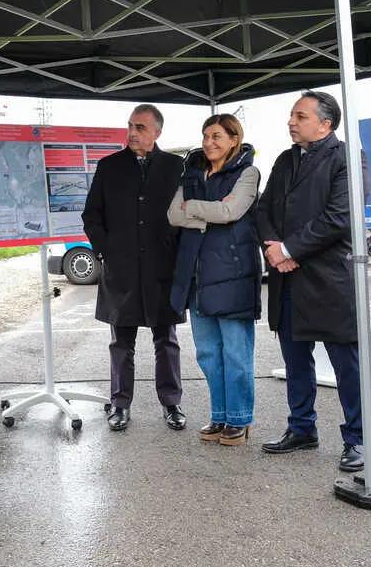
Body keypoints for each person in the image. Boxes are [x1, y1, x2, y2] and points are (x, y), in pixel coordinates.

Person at [256, 90, 370, 472]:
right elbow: (264, 208)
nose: (291, 121)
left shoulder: (347, 157)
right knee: (295, 360)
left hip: (329, 279)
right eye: (291, 115)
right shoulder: (285, 159)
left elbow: (340, 217)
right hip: (288, 279)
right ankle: (301, 427)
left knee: (346, 365)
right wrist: (273, 248)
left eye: (300, 116)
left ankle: (357, 439)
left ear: (325, 123)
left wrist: (288, 250)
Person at [82, 104, 186, 431]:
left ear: (157, 132)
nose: (132, 133)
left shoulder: (175, 167)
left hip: (161, 270)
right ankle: (120, 403)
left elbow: (186, 214)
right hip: (122, 270)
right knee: (121, 343)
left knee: (166, 340)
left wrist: (176, 251)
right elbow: (91, 216)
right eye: (130, 126)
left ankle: (172, 404)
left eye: (140, 127)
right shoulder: (109, 166)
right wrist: (106, 251)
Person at [168, 114, 261, 445]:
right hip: (196, 276)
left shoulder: (247, 173)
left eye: (217, 136)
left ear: (234, 140)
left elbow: (231, 212)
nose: (209, 142)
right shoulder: (192, 173)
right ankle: (220, 415)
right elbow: (173, 215)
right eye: (206, 135)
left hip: (232, 274)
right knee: (208, 354)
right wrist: (205, 211)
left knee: (236, 354)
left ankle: (239, 419)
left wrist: (193, 208)